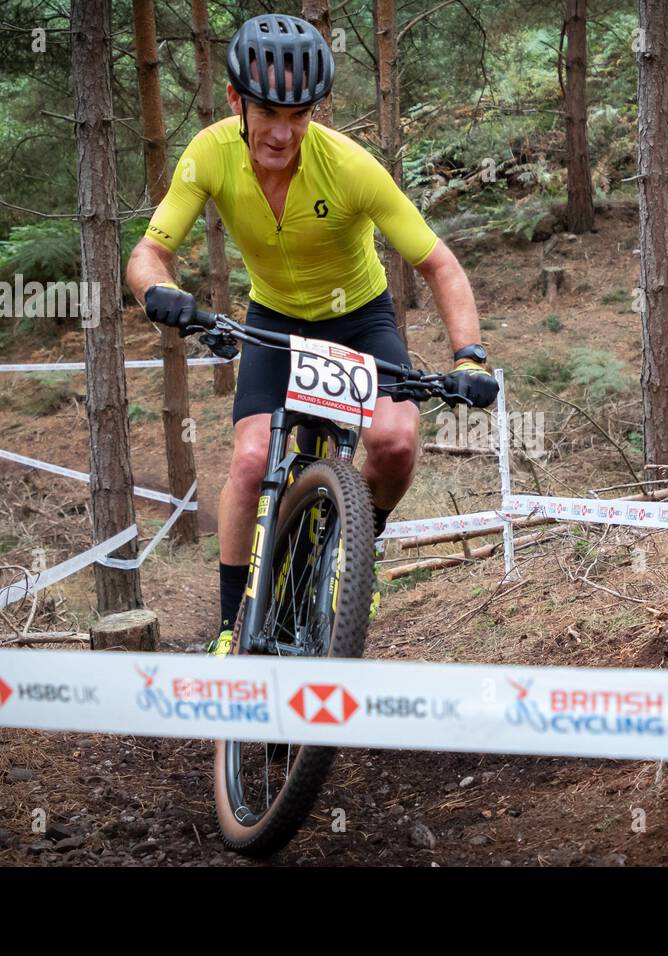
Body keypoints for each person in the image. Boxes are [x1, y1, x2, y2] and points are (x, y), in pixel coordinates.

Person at [125, 13, 496, 655]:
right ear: (238, 101)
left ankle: (358, 550)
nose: (283, 132)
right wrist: (161, 292)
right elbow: (148, 253)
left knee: (397, 440)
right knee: (247, 462)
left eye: (299, 115)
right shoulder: (210, 154)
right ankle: (228, 627)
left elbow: (438, 263)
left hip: (359, 318)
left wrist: (470, 354)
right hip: (275, 322)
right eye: (268, 111)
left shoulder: (350, 166)